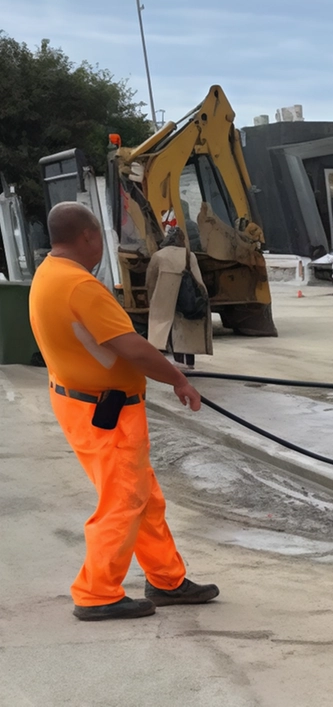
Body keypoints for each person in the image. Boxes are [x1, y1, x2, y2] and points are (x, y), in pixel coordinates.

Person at [28, 202, 219, 622]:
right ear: (87, 237)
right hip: (106, 411)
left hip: (81, 402)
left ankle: (167, 579)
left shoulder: (47, 275)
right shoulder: (80, 286)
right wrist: (179, 380)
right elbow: (131, 346)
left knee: (143, 497)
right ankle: (97, 592)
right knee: (123, 500)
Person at [146, 226, 212, 369]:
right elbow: (198, 280)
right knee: (187, 329)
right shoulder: (190, 255)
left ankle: (177, 360)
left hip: (165, 298)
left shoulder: (159, 255)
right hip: (187, 297)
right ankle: (189, 362)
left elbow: (150, 281)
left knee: (168, 327)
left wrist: (152, 298)